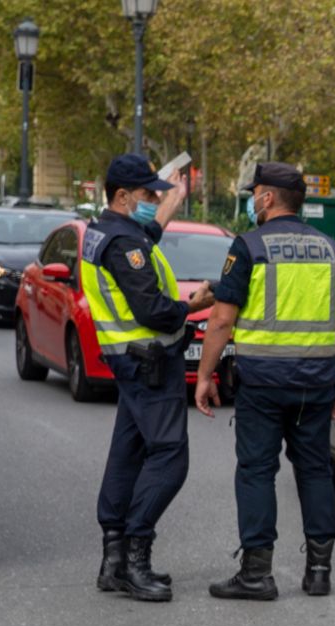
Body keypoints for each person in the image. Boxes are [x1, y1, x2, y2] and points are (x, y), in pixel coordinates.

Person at [194, 162, 335, 599]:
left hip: (263, 383)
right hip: (316, 382)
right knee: (316, 471)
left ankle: (256, 574)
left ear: (266, 198)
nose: (252, 199)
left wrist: (205, 376)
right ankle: (319, 572)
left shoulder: (248, 247)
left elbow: (222, 320)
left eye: (255, 192)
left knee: (257, 472)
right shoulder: (330, 249)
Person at [88, 153, 216, 603]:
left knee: (127, 454)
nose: (151, 201)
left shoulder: (105, 231)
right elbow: (155, 311)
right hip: (150, 363)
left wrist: (169, 200)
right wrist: (197, 303)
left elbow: (146, 234)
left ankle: (113, 560)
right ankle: (136, 556)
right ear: (122, 197)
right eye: (145, 195)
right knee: (170, 458)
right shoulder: (126, 245)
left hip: (128, 363)